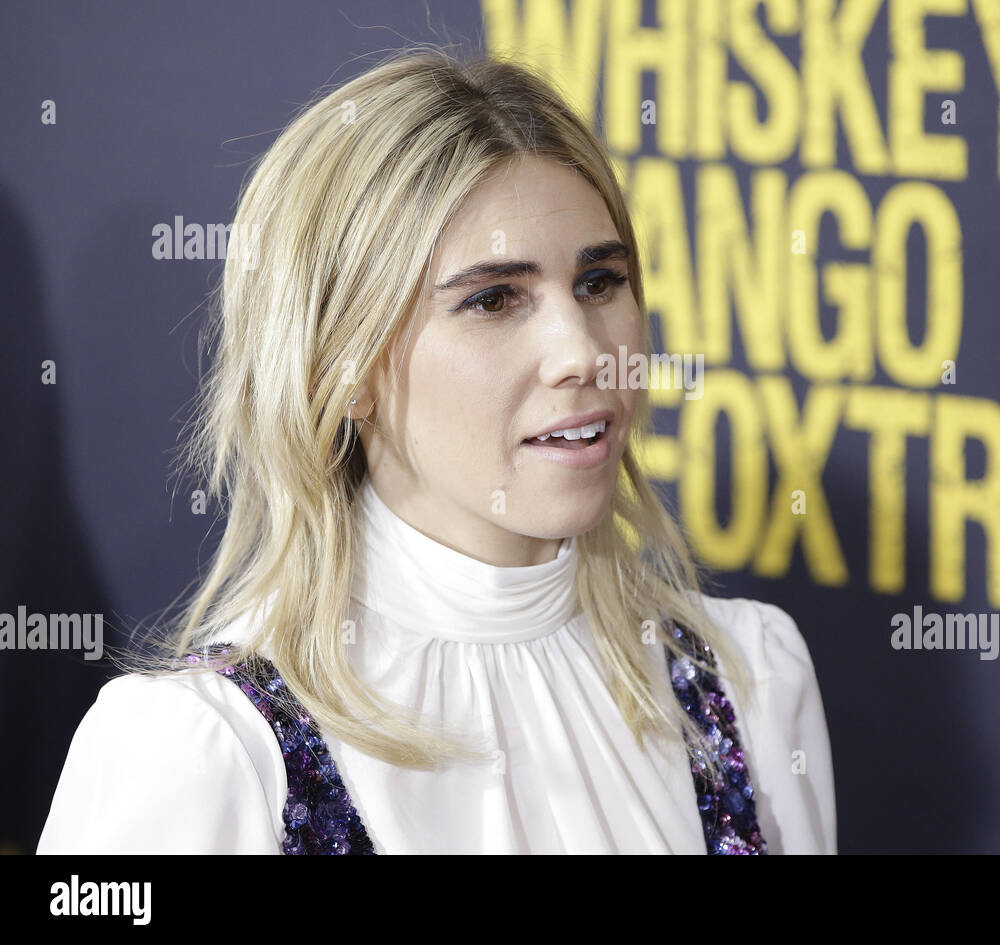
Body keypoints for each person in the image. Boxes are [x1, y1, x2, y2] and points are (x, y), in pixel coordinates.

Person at [36, 46, 837, 855]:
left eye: (599, 282)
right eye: (494, 299)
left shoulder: (749, 683)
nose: (583, 351)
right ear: (341, 368)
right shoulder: (205, 756)